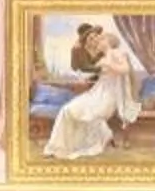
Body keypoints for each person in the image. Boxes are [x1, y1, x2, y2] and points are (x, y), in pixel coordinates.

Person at [44, 28, 143, 161]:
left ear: (108, 41)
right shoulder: (101, 60)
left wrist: (109, 66)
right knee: (66, 110)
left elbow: (125, 69)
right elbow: (85, 70)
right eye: (96, 40)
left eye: (100, 39)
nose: (97, 42)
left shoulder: (116, 53)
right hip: (96, 93)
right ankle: (56, 148)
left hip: (109, 97)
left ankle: (103, 135)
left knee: (90, 114)